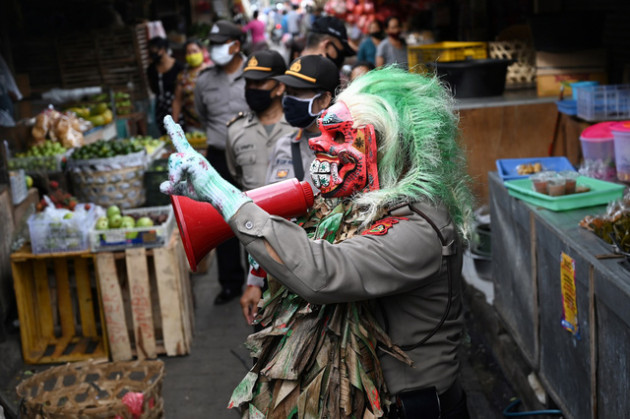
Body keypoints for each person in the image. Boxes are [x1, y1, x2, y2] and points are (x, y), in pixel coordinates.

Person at [160, 66, 473, 418]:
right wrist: (211, 203)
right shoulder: (373, 202)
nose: (318, 144)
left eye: (340, 136)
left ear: (390, 147)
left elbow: (321, 274)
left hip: (417, 409)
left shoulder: (419, 228)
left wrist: (227, 199)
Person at [239, 54, 340, 324]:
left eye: (298, 93)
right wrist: (254, 281)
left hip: (336, 272)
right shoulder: (286, 145)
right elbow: (269, 216)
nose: (288, 99)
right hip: (290, 271)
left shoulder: (349, 147)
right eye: (288, 91)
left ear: (323, 99)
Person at [194, 20, 249, 304]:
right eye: (212, 45)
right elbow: (202, 114)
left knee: (255, 215)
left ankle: (261, 278)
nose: (214, 50)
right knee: (223, 220)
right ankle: (230, 283)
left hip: (250, 155)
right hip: (217, 157)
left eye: (219, 44)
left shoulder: (254, 73)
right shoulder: (204, 80)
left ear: (236, 46)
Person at [226, 50, 293, 191]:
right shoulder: (235, 130)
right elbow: (236, 175)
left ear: (280, 87)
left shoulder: (297, 128)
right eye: (248, 83)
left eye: (259, 83)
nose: (251, 88)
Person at [146, 37, 184, 135]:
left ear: (162, 49)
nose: (152, 54)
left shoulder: (178, 67)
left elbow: (179, 95)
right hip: (160, 108)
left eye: (154, 51)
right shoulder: (151, 69)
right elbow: (152, 88)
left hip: (177, 107)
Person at [171, 39, 209, 132]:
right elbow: (177, 100)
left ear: (202, 51)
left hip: (213, 122)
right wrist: (173, 126)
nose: (192, 55)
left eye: (195, 51)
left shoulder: (211, 71)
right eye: (188, 52)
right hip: (193, 124)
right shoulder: (183, 76)